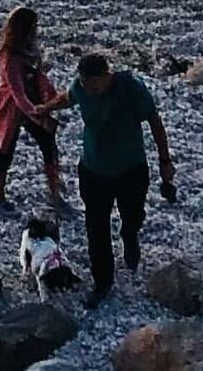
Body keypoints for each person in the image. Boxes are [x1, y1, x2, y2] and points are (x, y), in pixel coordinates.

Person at [68, 45, 175, 299]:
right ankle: (102, 282)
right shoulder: (80, 88)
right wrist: (44, 109)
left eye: (93, 85)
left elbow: (155, 122)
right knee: (96, 227)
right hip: (93, 170)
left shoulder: (132, 89)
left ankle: (129, 234)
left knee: (133, 214)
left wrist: (165, 160)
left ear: (108, 76)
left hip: (131, 169)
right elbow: (69, 97)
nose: (89, 90)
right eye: (85, 84)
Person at [0, 5, 65, 217]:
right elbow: (17, 93)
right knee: (6, 152)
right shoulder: (10, 58)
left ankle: (55, 194)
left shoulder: (30, 49)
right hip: (13, 108)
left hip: (35, 104)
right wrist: (37, 114)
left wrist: (52, 99)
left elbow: (39, 77)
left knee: (49, 147)